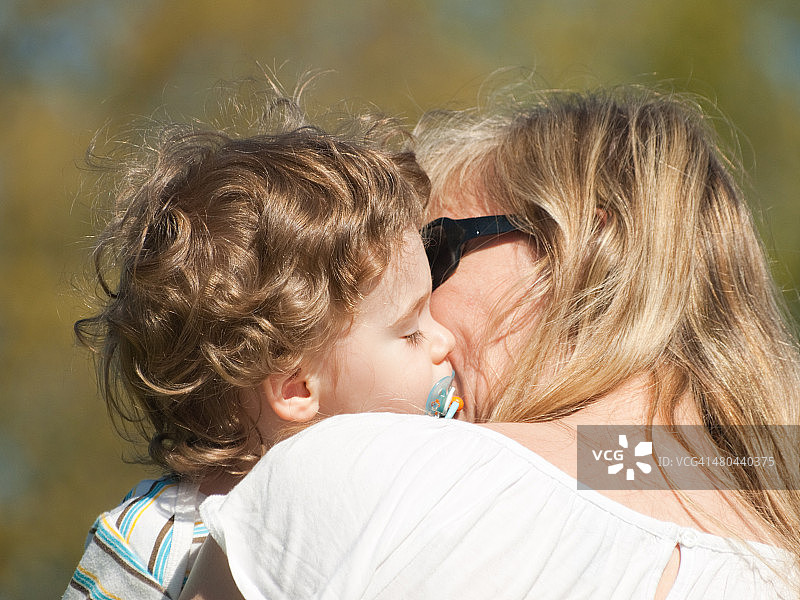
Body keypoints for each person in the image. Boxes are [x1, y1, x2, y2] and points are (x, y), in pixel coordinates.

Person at [182, 86, 800, 599]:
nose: (415, 298)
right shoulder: (763, 550)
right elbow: (627, 472)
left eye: (436, 250)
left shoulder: (365, 473)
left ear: (581, 246)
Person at [62, 89, 459, 600]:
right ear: (296, 388)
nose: (445, 340)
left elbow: (556, 466)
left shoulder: (443, 438)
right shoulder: (151, 542)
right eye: (411, 331)